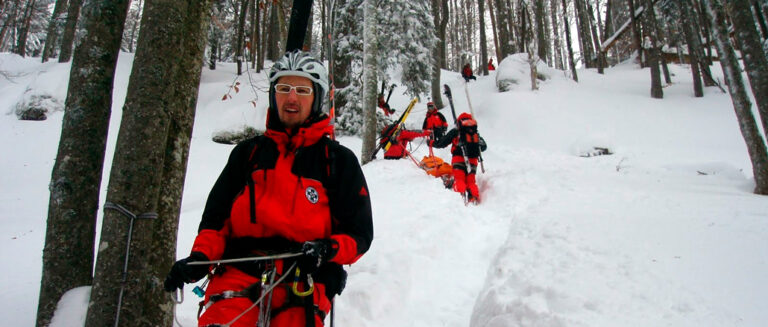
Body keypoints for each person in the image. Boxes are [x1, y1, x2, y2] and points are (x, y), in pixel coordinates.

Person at [164, 50, 374, 327]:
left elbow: (359, 234)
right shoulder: (247, 154)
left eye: (302, 89)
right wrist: (200, 259)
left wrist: (327, 250)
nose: (291, 98)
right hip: (239, 271)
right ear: (273, 95)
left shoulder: (337, 161)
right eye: (283, 88)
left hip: (304, 278)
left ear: (317, 97)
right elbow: (216, 220)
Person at [431, 112, 487, 204]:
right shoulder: (475, 132)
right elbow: (484, 147)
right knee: (471, 181)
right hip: (473, 160)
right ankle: (473, 198)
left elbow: (442, 142)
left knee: (459, 179)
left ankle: (460, 200)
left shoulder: (456, 131)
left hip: (458, 159)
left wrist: (432, 143)